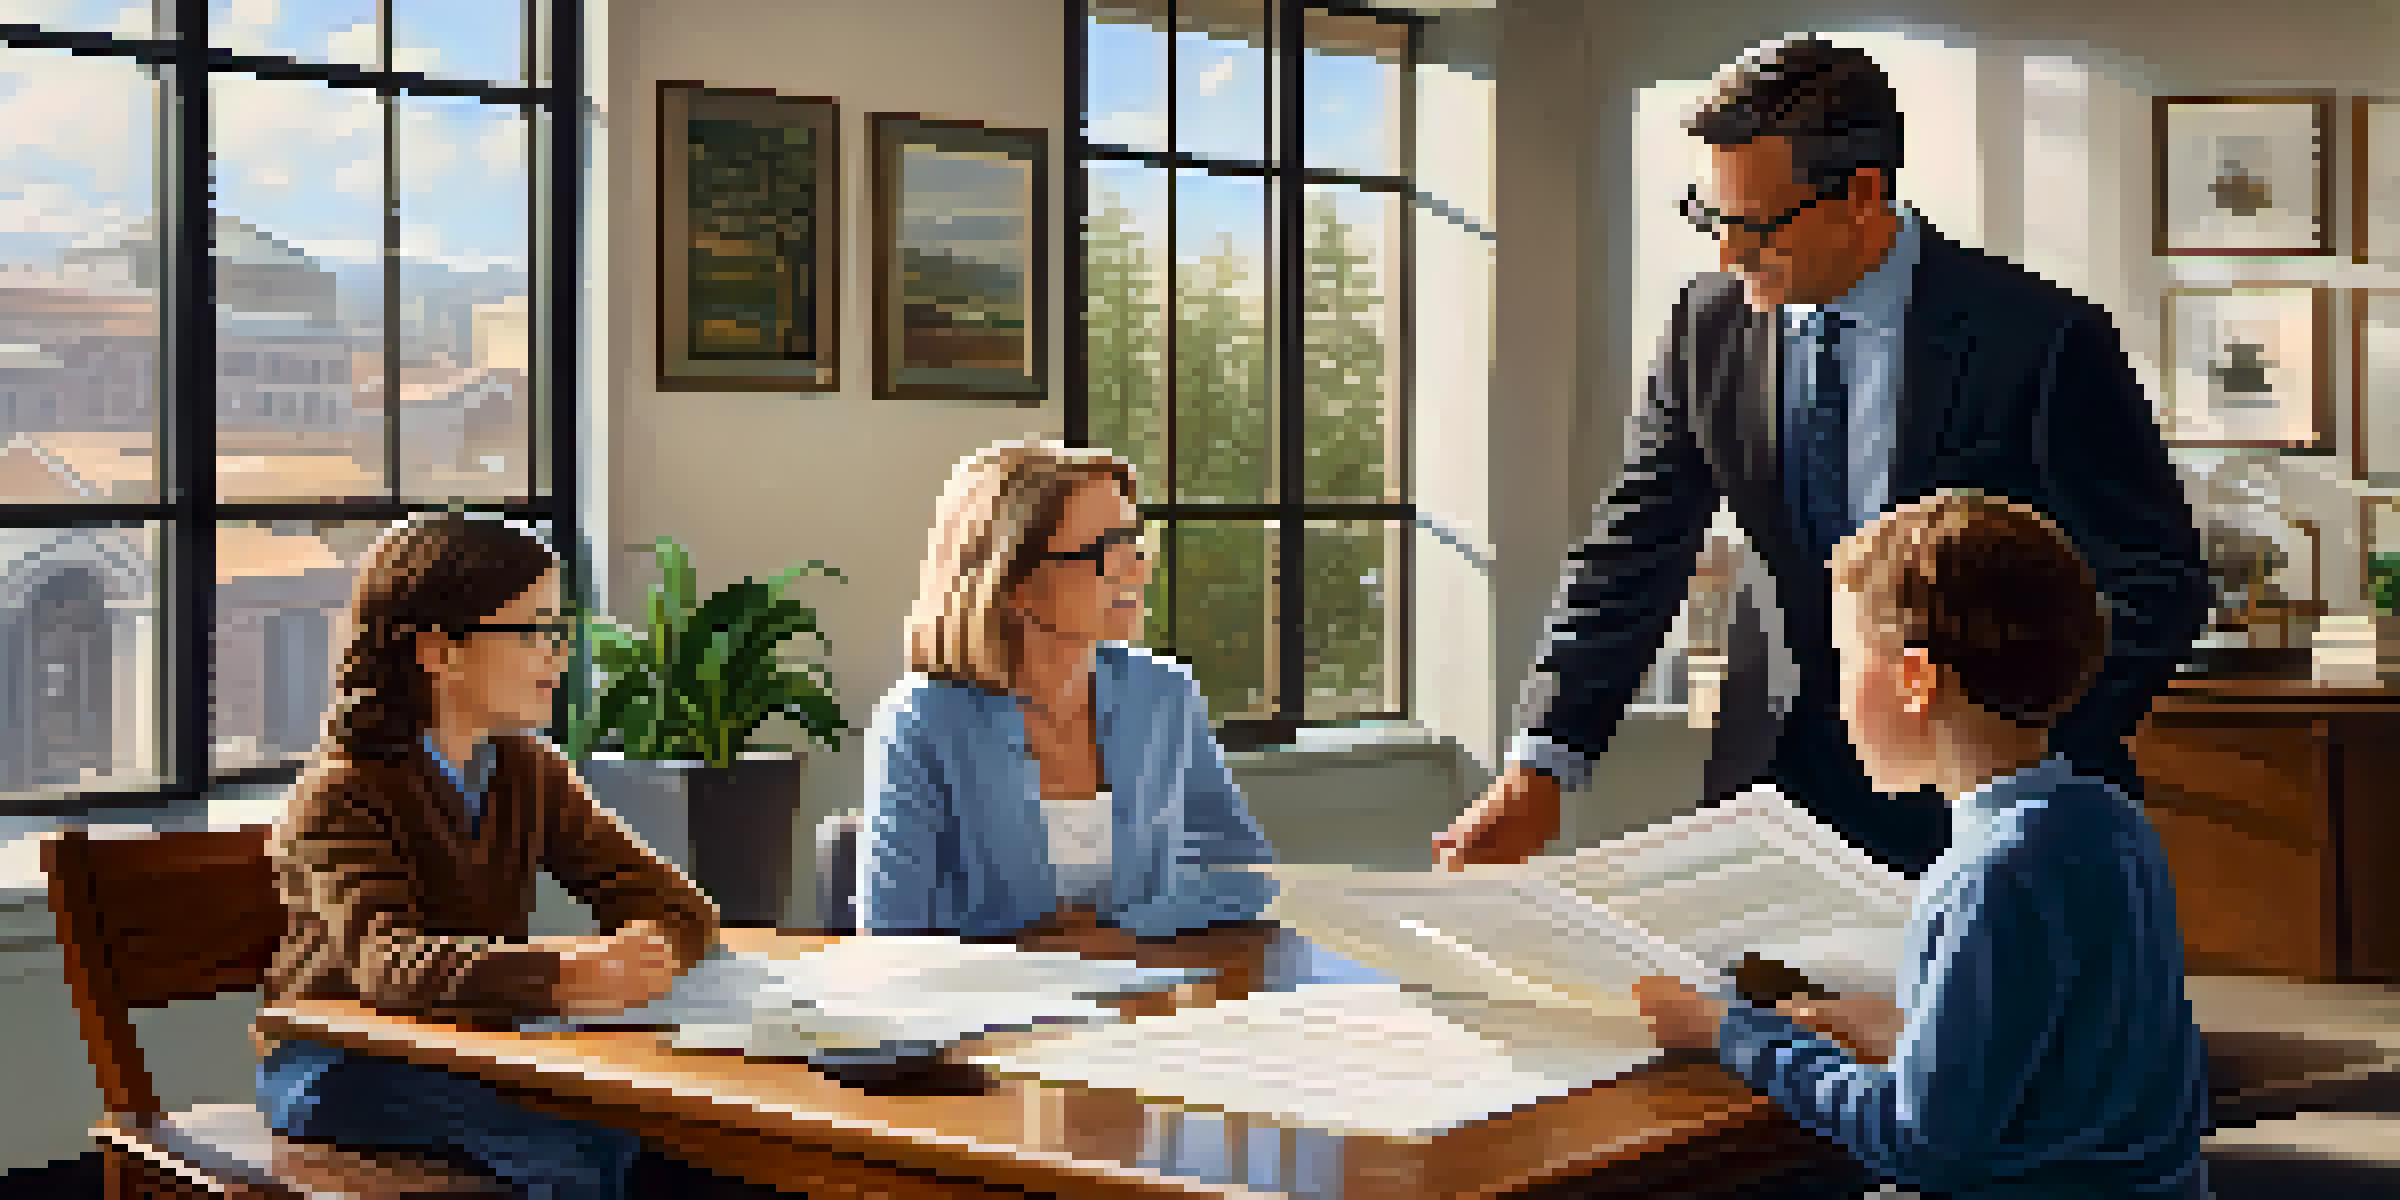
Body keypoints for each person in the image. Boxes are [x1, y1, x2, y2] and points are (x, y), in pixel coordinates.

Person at [1434, 37, 2210, 879]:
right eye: (1710, 218)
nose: (1727, 255)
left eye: (1754, 225)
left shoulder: (2042, 338)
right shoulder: (1707, 328)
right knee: (1739, 1017)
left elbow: (2156, 583)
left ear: (1862, 194)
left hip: (1997, 807)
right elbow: (1629, 557)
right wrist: (1540, 766)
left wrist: (2009, 746)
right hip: (1776, 801)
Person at [1633, 491, 2212, 1199]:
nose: (1839, 697)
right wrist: (1901, 1031)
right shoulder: (2111, 825)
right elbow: (2067, 1057)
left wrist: (1728, 1031)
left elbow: (1919, 1144)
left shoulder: (1986, 878)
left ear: (1915, 681)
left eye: (1845, 661)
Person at [256, 514, 721, 1200]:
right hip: (340, 1064)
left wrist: (648, 948)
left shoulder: (527, 768)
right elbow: (390, 966)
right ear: (440, 652)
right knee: (565, 1162)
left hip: (472, 1050)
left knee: (655, 1140)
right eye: (532, 631)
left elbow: (677, 904)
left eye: (558, 630)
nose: (557, 656)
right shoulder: (343, 791)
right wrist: (559, 977)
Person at [857, 439, 1277, 949]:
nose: (1137, 570)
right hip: (982, 1018)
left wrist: (1122, 932)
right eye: (1104, 551)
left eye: (1133, 543)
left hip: (1140, 1010)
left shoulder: (1165, 693)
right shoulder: (921, 721)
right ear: (1011, 582)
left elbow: (1244, 872)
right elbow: (891, 935)